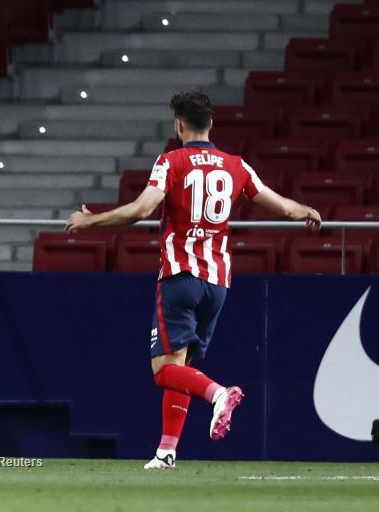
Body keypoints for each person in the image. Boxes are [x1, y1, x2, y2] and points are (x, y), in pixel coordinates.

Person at [65, 92, 321, 470]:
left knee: (163, 370)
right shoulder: (236, 165)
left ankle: (218, 394)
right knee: (181, 365)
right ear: (211, 124)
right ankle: (166, 452)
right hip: (217, 283)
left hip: (180, 276)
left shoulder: (171, 161)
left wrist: (90, 221)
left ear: (179, 124)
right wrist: (307, 211)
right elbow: (283, 206)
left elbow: (140, 209)